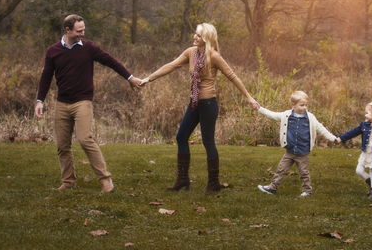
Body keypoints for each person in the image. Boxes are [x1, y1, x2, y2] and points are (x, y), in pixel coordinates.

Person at [140, 23, 259, 194]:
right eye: (195, 34)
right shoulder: (190, 53)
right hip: (194, 103)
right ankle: (182, 179)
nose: (194, 37)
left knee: (208, 142)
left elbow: (232, 76)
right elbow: (171, 66)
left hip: (209, 104)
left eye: (198, 35)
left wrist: (248, 97)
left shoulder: (214, 56)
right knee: (181, 137)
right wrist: (148, 79)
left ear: (206, 39)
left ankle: (214, 183)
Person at [34, 14, 143, 192]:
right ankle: (68, 182)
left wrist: (130, 78)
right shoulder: (53, 51)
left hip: (82, 101)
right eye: (79, 31)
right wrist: (40, 100)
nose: (82, 34)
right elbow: (46, 76)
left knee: (85, 139)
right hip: (62, 103)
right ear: (67, 30)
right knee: (62, 145)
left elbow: (111, 61)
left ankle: (105, 180)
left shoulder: (89, 48)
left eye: (83, 30)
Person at [253, 91, 339, 197]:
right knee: (281, 169)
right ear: (293, 105)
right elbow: (272, 115)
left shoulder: (310, 118)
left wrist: (333, 139)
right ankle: (272, 188)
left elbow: (321, 129)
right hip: (290, 151)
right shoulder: (286, 115)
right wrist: (259, 109)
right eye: (302, 105)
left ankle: (307, 191)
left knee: (304, 173)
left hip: (303, 152)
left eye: (306, 105)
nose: (304, 108)